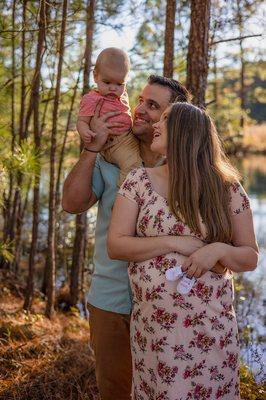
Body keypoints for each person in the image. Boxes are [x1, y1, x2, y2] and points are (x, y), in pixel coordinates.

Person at [107, 102, 258, 399]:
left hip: (210, 333)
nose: (156, 125)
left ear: (186, 132)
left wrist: (214, 250)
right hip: (155, 333)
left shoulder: (226, 188)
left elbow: (250, 257)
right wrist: (175, 242)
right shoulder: (139, 180)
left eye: (165, 119)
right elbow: (116, 245)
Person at [62, 76, 192, 400]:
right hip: (112, 299)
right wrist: (92, 147)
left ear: (171, 117)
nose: (139, 110)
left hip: (166, 303)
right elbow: (71, 203)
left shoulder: (183, 170)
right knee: (117, 392)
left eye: (153, 105)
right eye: (140, 100)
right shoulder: (109, 157)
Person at [77, 47, 142, 186]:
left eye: (119, 84)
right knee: (133, 167)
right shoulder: (91, 99)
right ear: (95, 76)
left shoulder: (123, 94)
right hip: (112, 142)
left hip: (128, 136)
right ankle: (124, 198)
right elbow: (82, 120)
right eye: (107, 82)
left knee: (140, 164)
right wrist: (85, 131)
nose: (113, 88)